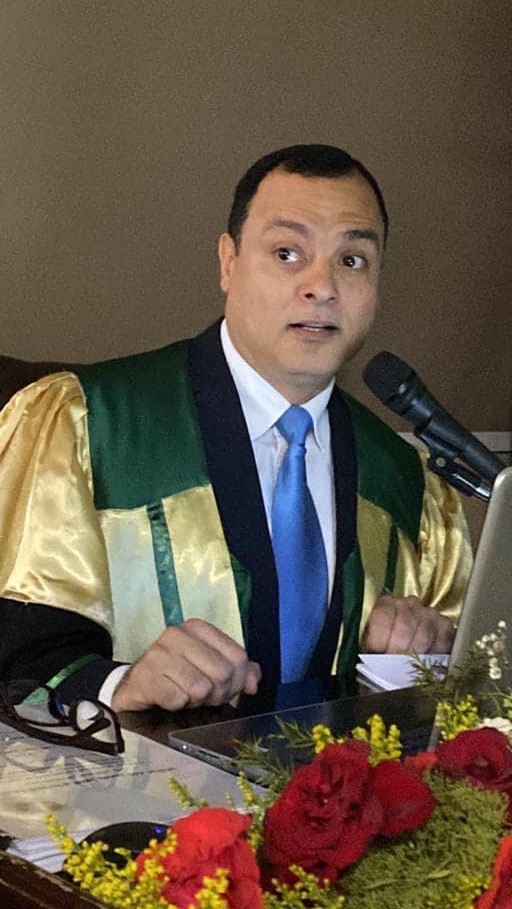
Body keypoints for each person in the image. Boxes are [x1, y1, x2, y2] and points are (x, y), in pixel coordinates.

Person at [0, 144, 472, 713]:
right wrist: (121, 686)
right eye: (287, 253)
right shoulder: (86, 423)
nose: (321, 286)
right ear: (228, 262)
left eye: (352, 260)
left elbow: (459, 698)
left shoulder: (408, 483)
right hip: (134, 772)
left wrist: (425, 654)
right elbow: (18, 664)